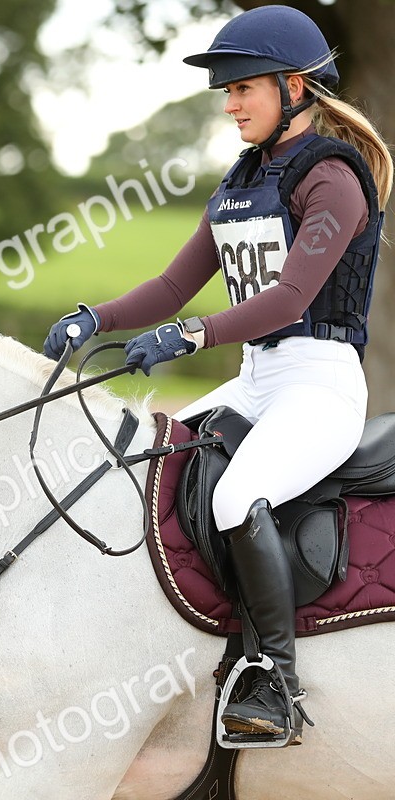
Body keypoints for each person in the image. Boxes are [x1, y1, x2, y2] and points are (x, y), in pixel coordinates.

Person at [43, 6, 390, 745]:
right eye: (226, 92)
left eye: (243, 89)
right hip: (257, 377)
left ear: (294, 86)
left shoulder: (333, 179)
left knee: (237, 496)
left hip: (318, 384)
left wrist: (190, 336)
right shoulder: (243, 180)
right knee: (146, 464)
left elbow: (291, 298)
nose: (229, 104)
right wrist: (92, 319)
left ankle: (277, 681)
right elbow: (172, 289)